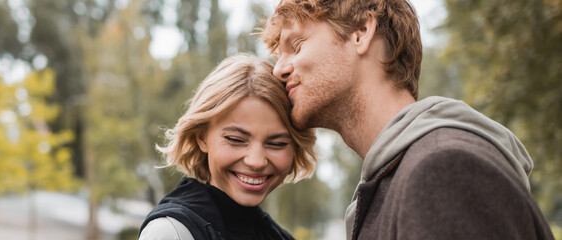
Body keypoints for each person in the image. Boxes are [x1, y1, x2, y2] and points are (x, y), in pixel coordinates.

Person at [260, 0, 555, 239]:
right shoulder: (398, 176)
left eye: (296, 45)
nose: (278, 70)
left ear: (361, 32)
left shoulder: (444, 172)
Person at [138, 54, 318, 240]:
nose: (256, 161)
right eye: (236, 139)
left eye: (277, 144)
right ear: (201, 137)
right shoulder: (171, 233)